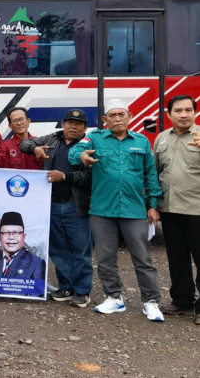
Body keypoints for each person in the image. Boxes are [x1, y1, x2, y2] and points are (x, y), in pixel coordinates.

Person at [69, 99, 164, 322]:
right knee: (105, 257)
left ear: (130, 116)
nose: (118, 118)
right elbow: (75, 152)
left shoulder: (141, 142)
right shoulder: (94, 138)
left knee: (142, 258)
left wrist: (153, 204)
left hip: (134, 209)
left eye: (122, 114)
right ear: (105, 120)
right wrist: (82, 156)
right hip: (102, 209)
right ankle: (114, 297)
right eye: (112, 115)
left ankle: (150, 301)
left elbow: (150, 175)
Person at [20, 109, 92, 307]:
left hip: (75, 205)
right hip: (51, 204)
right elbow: (24, 143)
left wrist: (65, 176)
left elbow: (89, 178)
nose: (73, 126)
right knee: (58, 249)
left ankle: (83, 291)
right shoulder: (52, 139)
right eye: (69, 122)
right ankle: (66, 287)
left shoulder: (89, 145)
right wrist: (34, 149)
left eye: (78, 124)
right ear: (63, 123)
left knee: (80, 250)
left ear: (85, 128)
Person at [153, 95, 200, 325]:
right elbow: (155, 173)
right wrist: (152, 204)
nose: (184, 114)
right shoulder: (161, 139)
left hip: (197, 209)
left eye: (188, 110)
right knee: (177, 258)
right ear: (169, 114)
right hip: (170, 209)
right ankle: (183, 302)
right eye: (178, 110)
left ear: (195, 112)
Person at [0, 211, 46, 280]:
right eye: (6, 233)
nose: (11, 237)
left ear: (24, 236)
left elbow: (37, 289)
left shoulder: (36, 263)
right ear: (0, 236)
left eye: (16, 233)